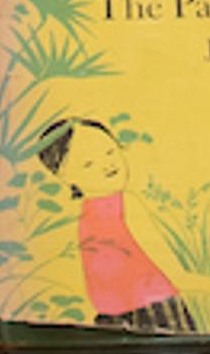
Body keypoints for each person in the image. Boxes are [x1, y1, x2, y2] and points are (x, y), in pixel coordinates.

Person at [33, 118, 188, 332]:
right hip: (157, 312)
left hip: (112, 320)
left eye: (109, 151)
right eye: (88, 163)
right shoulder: (126, 205)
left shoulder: (86, 216)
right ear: (64, 176)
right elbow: (171, 270)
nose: (107, 164)